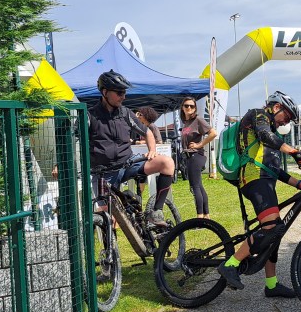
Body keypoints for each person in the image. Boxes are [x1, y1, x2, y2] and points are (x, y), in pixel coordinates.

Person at [217, 91, 301, 299]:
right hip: (253, 179)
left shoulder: (273, 134)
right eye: (287, 116)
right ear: (276, 107)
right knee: (272, 228)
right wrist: (293, 151)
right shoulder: (259, 115)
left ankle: (271, 285)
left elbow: (274, 170)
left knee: (274, 233)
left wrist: (300, 184)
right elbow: (265, 135)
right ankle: (231, 264)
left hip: (264, 180)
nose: (286, 122)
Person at [89, 70, 175, 227]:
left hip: (128, 164)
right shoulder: (90, 116)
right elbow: (71, 138)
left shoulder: (125, 113)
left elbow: (147, 132)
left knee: (167, 163)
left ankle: (156, 212)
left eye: (124, 92)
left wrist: (152, 150)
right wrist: (58, 165)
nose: (123, 96)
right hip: (104, 173)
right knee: (110, 220)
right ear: (105, 92)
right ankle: (112, 243)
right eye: (119, 93)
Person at [179, 96, 216, 218]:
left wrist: (199, 144)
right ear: (182, 108)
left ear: (195, 108)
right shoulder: (186, 122)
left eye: (192, 106)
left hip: (195, 155)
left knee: (194, 187)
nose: (189, 108)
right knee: (199, 186)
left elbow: (213, 133)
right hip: (190, 156)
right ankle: (206, 215)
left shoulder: (198, 120)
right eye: (186, 106)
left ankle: (199, 217)